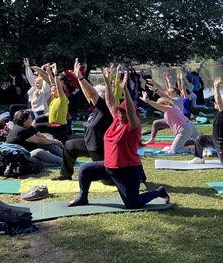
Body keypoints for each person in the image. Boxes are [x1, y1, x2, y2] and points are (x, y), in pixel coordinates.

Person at [67, 67, 170, 208]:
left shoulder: (133, 126)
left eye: (124, 112)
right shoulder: (116, 119)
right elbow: (108, 101)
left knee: (132, 204)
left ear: (131, 113)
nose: (121, 113)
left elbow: (129, 108)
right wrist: (106, 83)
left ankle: (158, 192)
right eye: (120, 111)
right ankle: (83, 197)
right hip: (108, 167)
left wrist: (125, 91)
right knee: (84, 170)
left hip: (127, 170)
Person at [53, 58, 114, 181]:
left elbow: (92, 94)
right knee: (69, 146)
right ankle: (65, 175)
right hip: (88, 144)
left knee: (108, 181)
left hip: (100, 149)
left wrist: (80, 77)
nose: (90, 99)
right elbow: (88, 94)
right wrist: (78, 79)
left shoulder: (105, 108)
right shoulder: (96, 110)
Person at [188, 77, 223, 166]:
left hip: (221, 142)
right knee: (200, 138)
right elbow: (218, 101)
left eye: (216, 102)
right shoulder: (220, 112)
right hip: (213, 139)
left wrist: (216, 88)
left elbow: (218, 101)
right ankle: (199, 158)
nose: (214, 103)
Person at [141, 89, 201, 154]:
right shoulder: (173, 107)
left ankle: (192, 150)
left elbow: (158, 106)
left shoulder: (169, 108)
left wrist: (147, 100)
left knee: (174, 150)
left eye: (161, 105)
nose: (160, 108)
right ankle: (212, 143)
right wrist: (156, 89)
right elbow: (164, 96)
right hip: (189, 125)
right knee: (202, 140)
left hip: (184, 129)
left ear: (164, 104)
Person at [33, 63, 70, 144]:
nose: (52, 93)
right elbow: (51, 81)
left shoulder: (62, 96)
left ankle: (36, 142)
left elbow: (56, 85)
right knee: (60, 144)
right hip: (55, 124)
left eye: (53, 91)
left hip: (60, 126)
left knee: (37, 127)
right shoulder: (55, 97)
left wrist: (55, 72)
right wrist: (48, 71)